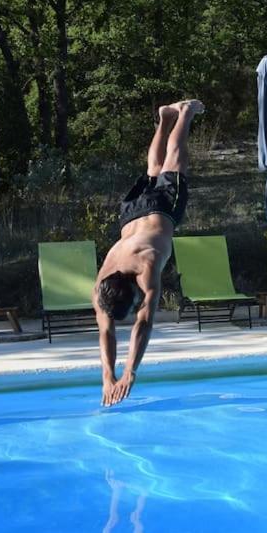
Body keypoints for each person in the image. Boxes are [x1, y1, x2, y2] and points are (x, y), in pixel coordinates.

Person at [94, 99, 204, 406]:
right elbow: (107, 332)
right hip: (130, 214)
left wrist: (129, 372)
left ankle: (185, 113)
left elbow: (143, 324)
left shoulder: (147, 269)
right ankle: (164, 117)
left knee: (173, 164)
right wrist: (106, 375)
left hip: (160, 213)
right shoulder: (102, 284)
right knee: (154, 169)